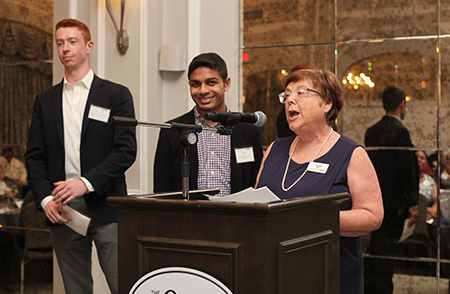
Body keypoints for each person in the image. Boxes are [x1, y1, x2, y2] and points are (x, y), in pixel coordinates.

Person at [25, 18, 136, 294]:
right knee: (76, 289)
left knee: (123, 284)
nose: (65, 48)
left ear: (89, 46)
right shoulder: (45, 100)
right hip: (62, 209)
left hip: (106, 203)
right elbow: (34, 156)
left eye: (72, 42)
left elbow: (125, 151)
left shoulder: (116, 95)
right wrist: (45, 198)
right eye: (60, 43)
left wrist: (85, 182)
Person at [255, 68, 383, 294]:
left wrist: (311, 220)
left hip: (329, 275)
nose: (290, 100)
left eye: (301, 92)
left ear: (327, 104)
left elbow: (372, 216)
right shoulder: (274, 149)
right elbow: (257, 205)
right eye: (287, 95)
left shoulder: (351, 153)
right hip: (275, 273)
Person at [154, 52, 263, 196]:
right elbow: (161, 190)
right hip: (188, 216)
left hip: (237, 215)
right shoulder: (172, 130)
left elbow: (256, 182)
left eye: (211, 82)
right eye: (196, 84)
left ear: (226, 84)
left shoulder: (248, 130)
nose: (203, 90)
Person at [364, 86, 419, 294]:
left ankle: (370, 287)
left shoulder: (371, 132)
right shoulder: (401, 132)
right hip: (394, 204)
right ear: (402, 104)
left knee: (375, 249)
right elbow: (406, 171)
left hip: (373, 199)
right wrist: (413, 203)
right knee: (387, 253)